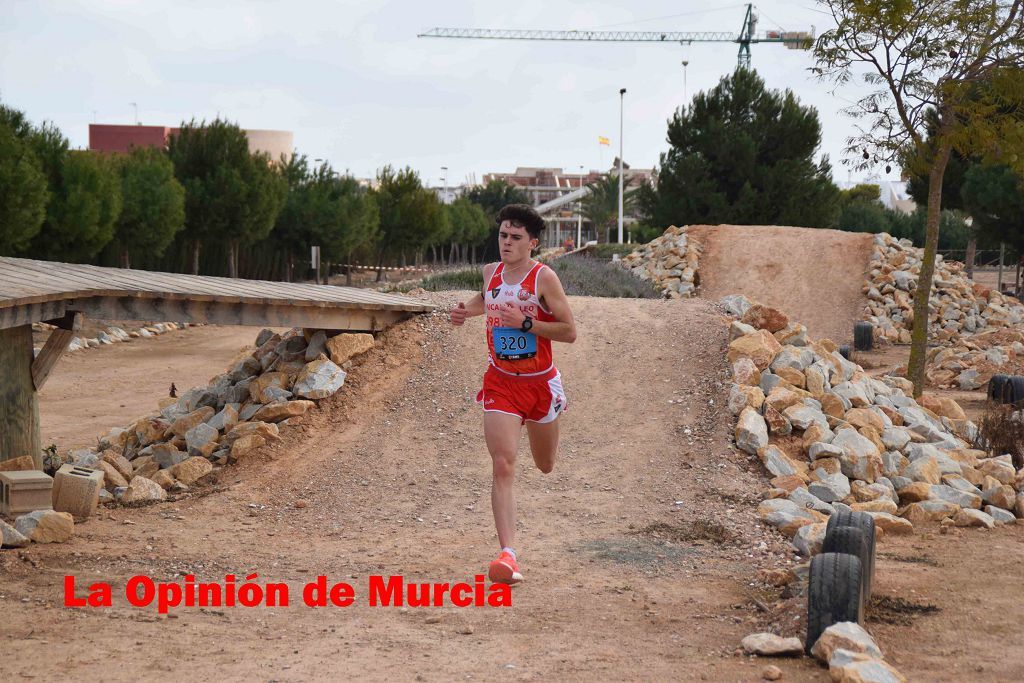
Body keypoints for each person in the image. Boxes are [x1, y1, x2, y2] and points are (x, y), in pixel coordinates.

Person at [449, 204, 577, 584]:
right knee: (503, 464)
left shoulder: (544, 279)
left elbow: (569, 331)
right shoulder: (491, 273)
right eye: (503, 235)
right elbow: (484, 301)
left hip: (539, 384)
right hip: (501, 382)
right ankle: (508, 554)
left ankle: (555, 412)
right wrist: (464, 313)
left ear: (532, 244)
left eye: (515, 237)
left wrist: (526, 323)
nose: (506, 242)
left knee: (545, 464)